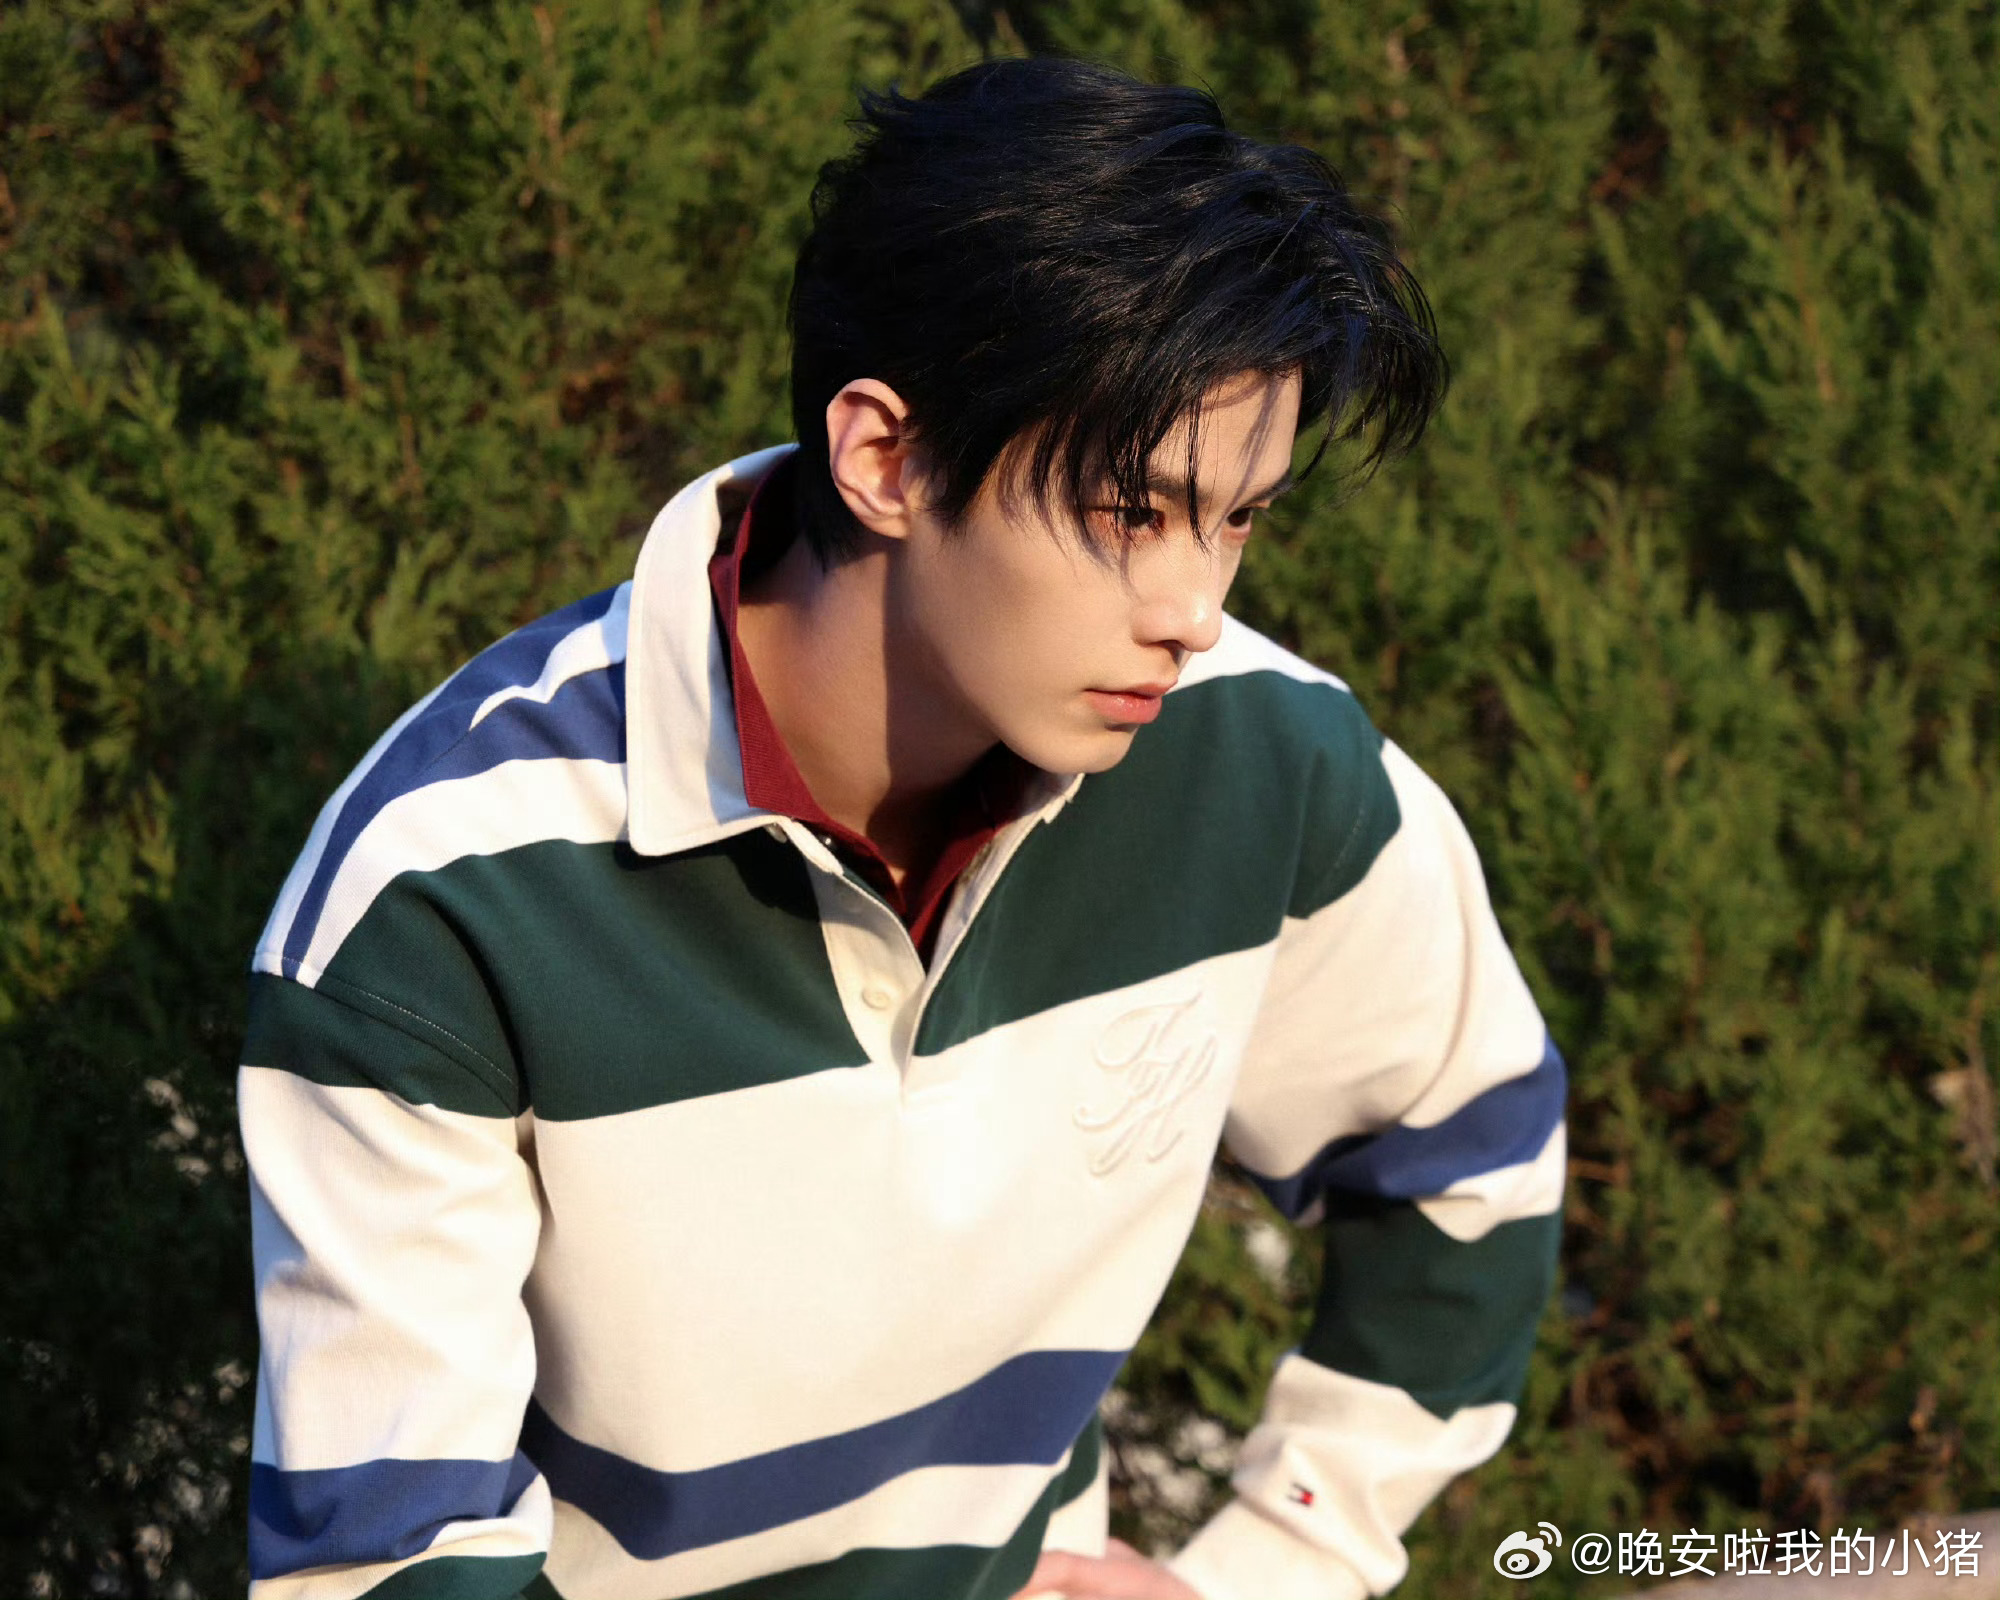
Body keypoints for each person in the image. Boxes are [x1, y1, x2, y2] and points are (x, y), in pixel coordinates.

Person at [240, 56, 1566, 1600]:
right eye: (1133, 512)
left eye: (1240, 518)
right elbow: (396, 1568)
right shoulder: (446, 894)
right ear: (885, 458)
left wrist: (1279, 1562)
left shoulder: (1261, 758)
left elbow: (1469, 1153)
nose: (1196, 609)